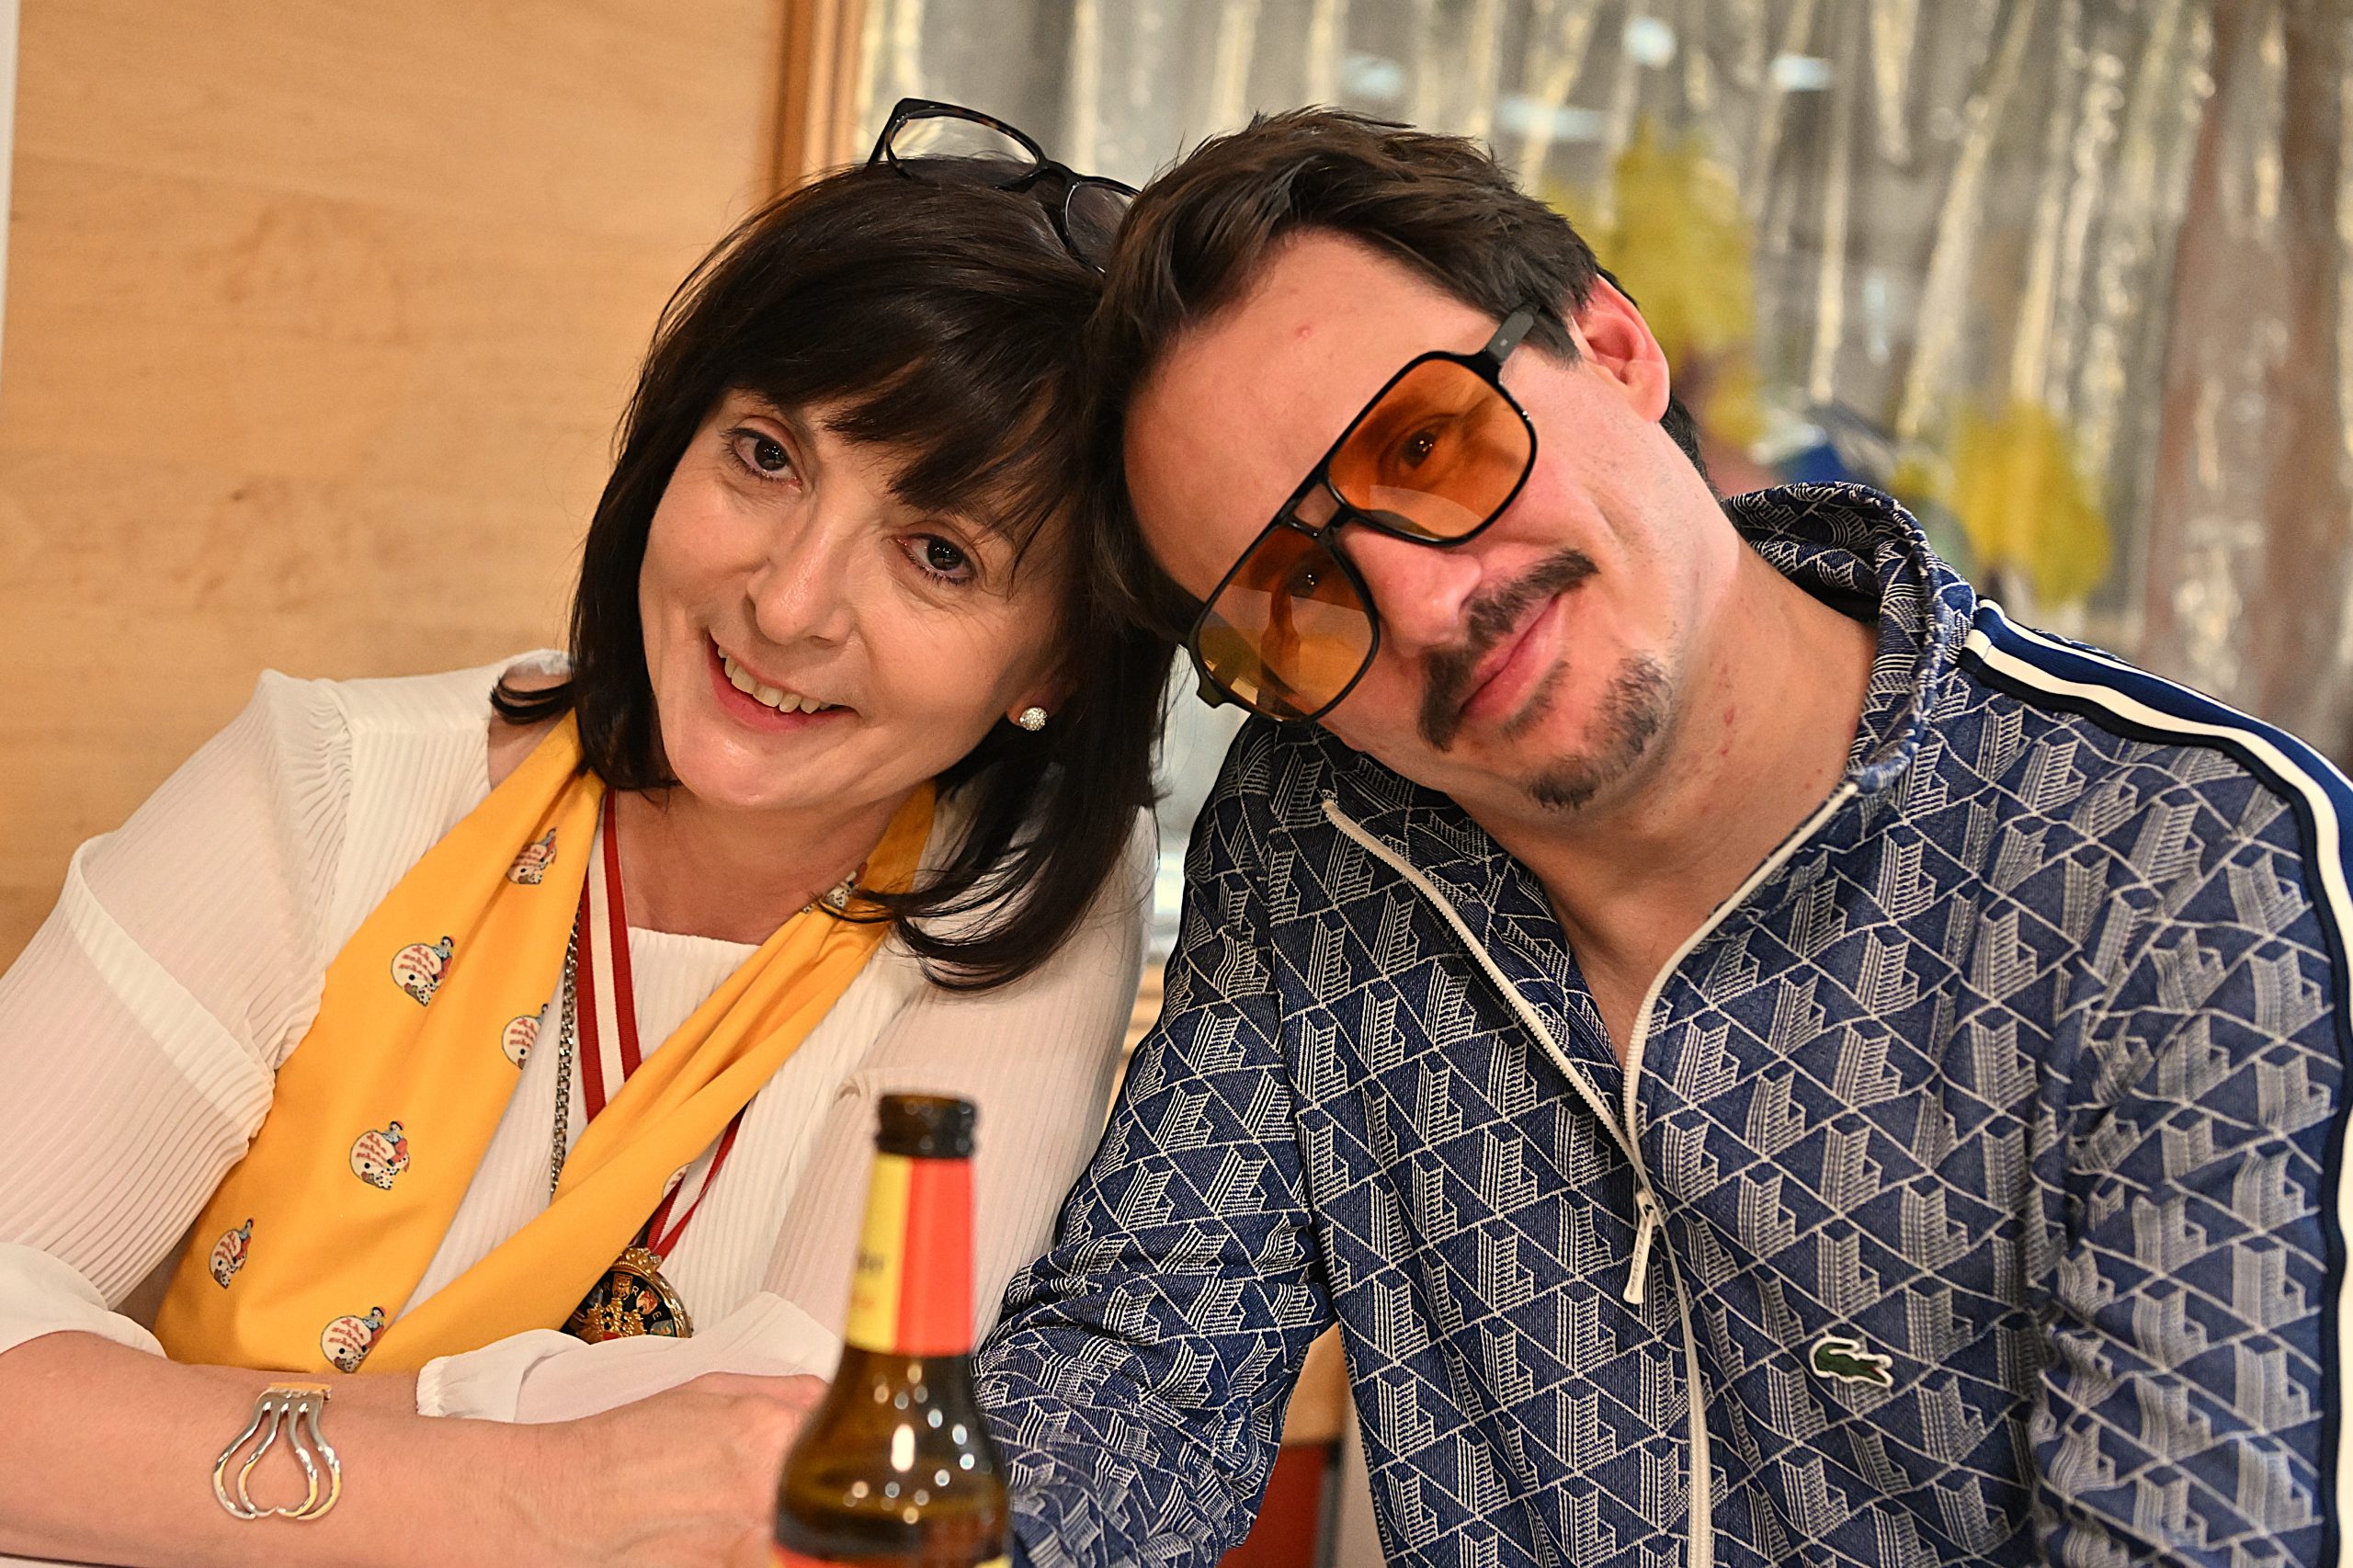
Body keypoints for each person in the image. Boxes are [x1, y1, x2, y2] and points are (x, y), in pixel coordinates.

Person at [976, 108, 2349, 1568]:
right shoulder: (1315, 833)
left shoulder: (2182, 873)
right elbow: (1141, 1377)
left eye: (1426, 444)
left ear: (1616, 348)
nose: (1425, 606)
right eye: (1296, 592)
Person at [0, 101, 1168, 1568]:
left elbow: (809, 1458)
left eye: (939, 552)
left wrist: (134, 1437)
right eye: (766, 456)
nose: (788, 601)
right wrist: (541, 1488)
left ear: (1063, 662)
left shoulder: (1020, 908)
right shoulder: (329, 787)